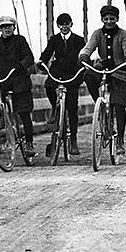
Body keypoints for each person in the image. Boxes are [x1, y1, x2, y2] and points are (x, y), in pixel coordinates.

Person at [78, 5, 126, 161]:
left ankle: (120, 141)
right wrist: (84, 56)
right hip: (103, 67)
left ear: (117, 19)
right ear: (102, 20)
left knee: (119, 105)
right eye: (106, 19)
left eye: (112, 19)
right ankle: (100, 104)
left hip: (120, 70)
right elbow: (88, 47)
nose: (109, 22)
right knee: (89, 76)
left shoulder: (123, 34)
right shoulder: (98, 34)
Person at [0, 15, 37, 157]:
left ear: (14, 27)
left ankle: (29, 143)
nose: (7, 29)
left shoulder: (20, 40)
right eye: (4, 27)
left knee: (24, 111)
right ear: (0, 29)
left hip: (19, 78)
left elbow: (29, 57)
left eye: (9, 26)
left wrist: (20, 66)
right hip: (4, 78)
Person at [37, 13, 87, 156]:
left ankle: (74, 141)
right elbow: (47, 53)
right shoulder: (54, 39)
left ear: (71, 24)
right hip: (57, 70)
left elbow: (84, 54)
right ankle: (55, 107)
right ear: (58, 25)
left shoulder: (78, 40)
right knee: (49, 85)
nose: (64, 26)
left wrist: (84, 65)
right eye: (61, 24)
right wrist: (41, 61)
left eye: (66, 23)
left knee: (72, 108)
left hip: (72, 73)